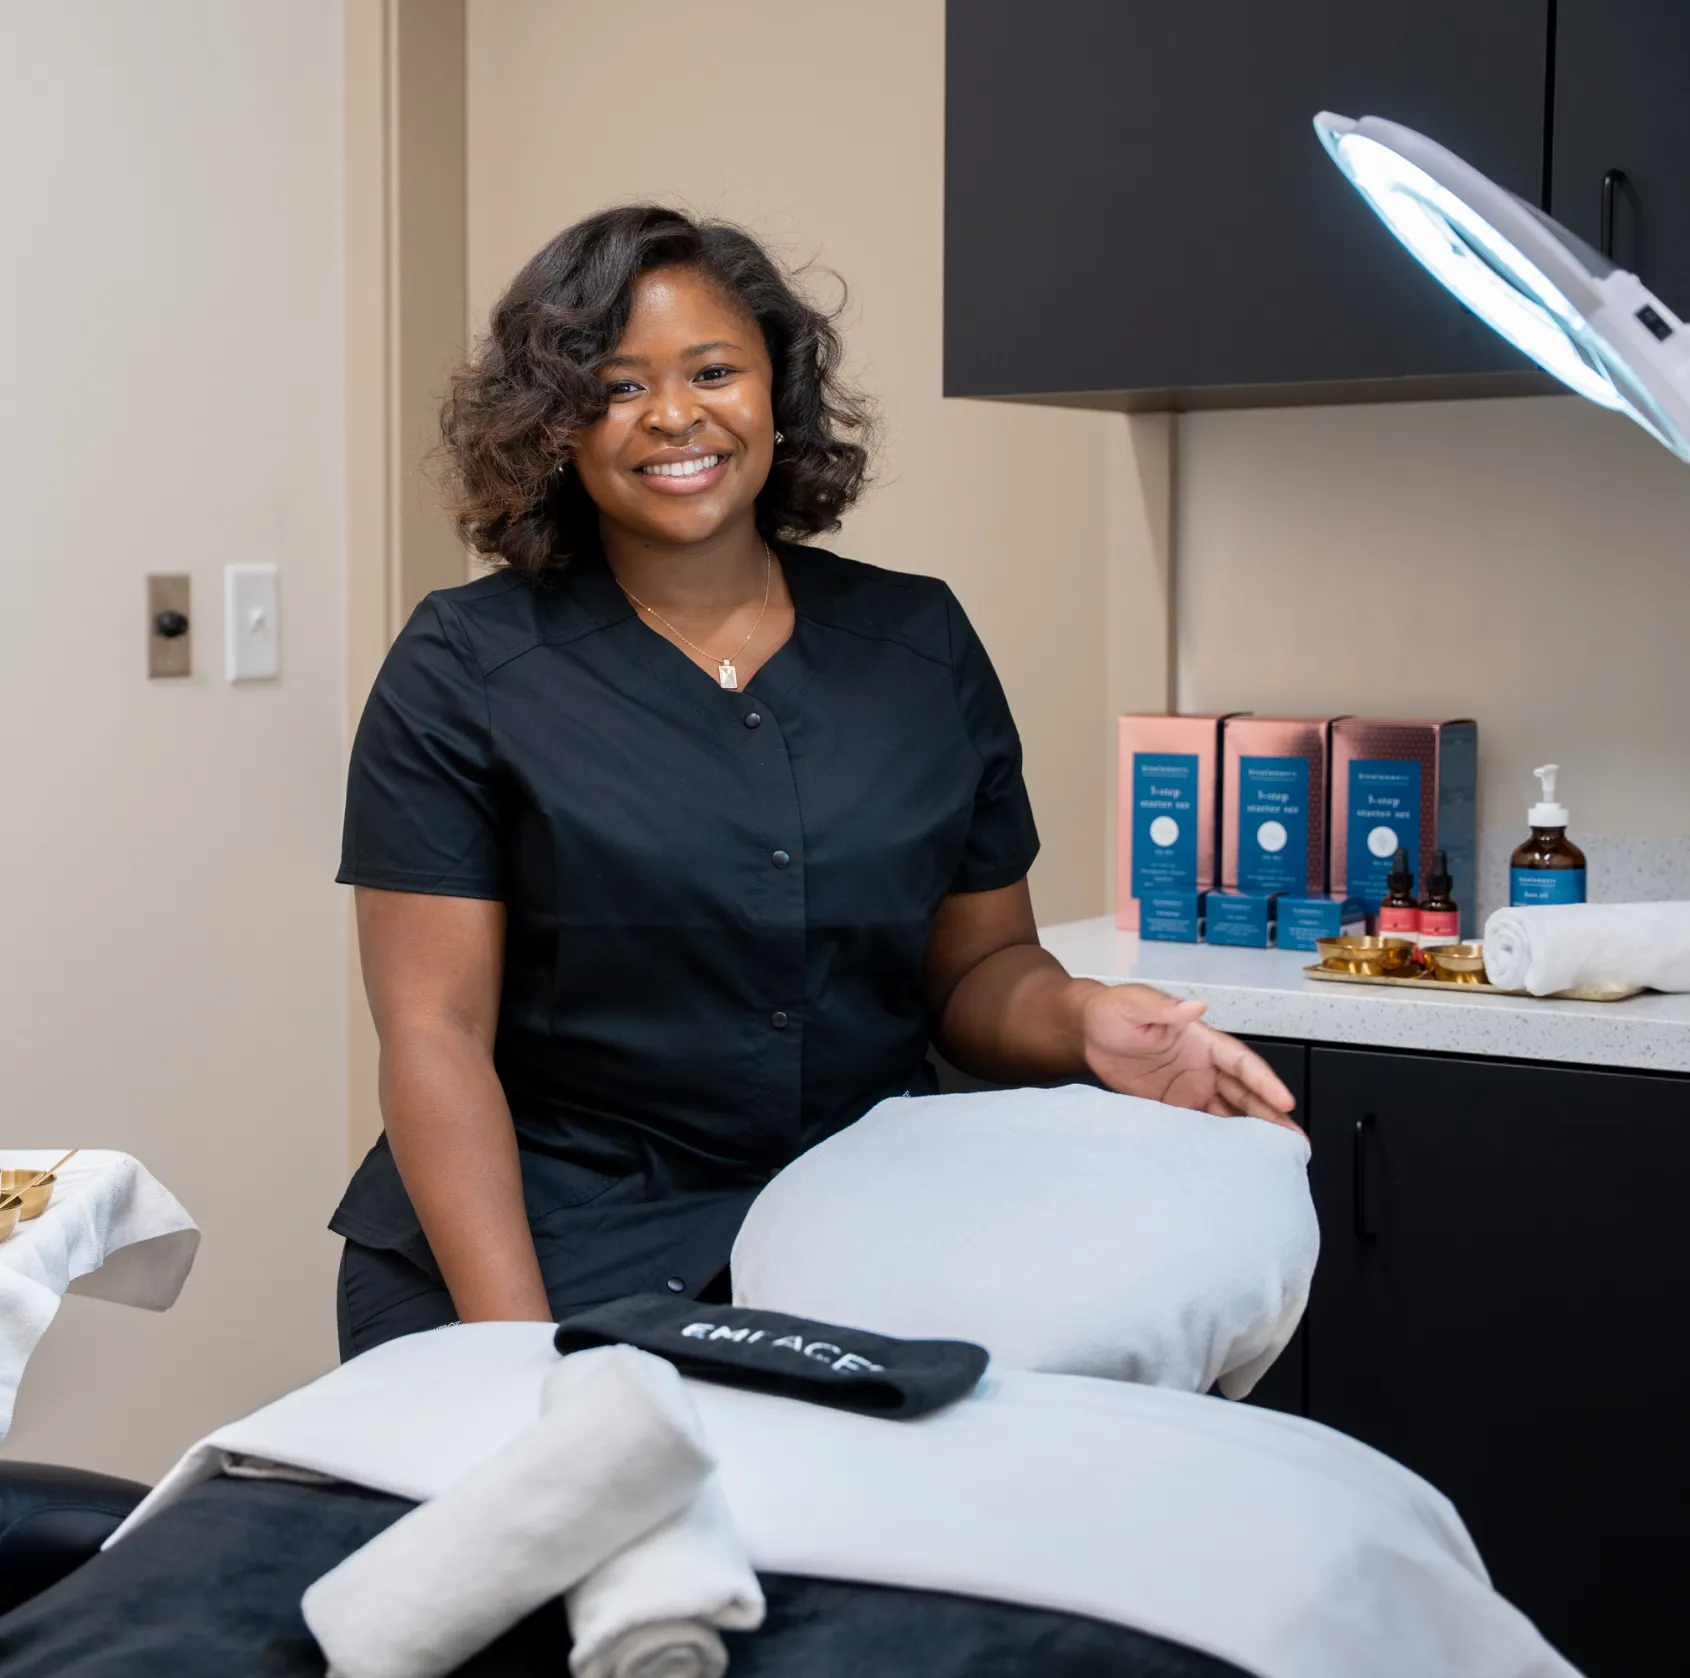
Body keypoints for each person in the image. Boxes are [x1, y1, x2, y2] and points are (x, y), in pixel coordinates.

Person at [331, 204, 1296, 1359]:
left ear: (774, 396)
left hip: (853, 1245)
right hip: (538, 1252)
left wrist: (1087, 1019)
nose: (675, 415)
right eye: (617, 385)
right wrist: (514, 1361)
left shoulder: (916, 643)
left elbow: (980, 969)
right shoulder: (466, 665)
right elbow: (433, 1031)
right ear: (555, 427)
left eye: (712, 370)